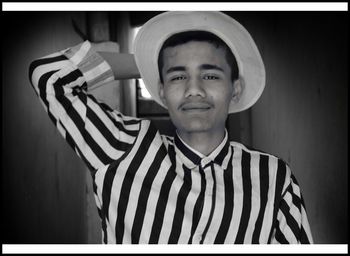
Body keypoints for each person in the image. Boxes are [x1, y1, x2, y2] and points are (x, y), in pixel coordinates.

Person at [29, 11, 313, 244]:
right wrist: (152, 66)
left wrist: (172, 71)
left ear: (235, 89)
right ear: (161, 92)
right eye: (178, 78)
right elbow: (49, 77)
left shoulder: (273, 178)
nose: (193, 90)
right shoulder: (124, 148)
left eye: (210, 75)